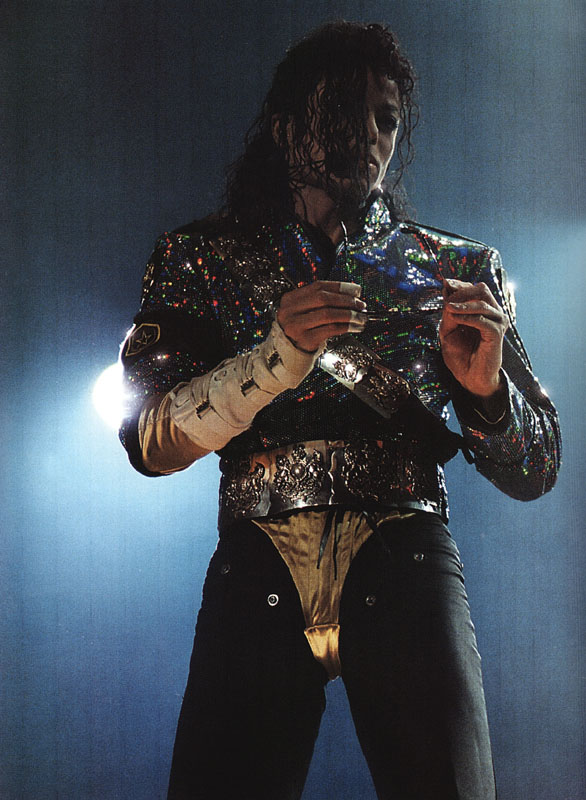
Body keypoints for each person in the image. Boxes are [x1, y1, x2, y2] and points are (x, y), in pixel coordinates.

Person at [119, 21, 561, 800]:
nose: (367, 137)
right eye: (342, 113)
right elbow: (147, 442)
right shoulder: (201, 257)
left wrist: (487, 395)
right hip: (258, 554)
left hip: (406, 552)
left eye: (385, 119)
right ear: (286, 127)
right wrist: (271, 361)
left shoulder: (458, 268)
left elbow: (538, 468)